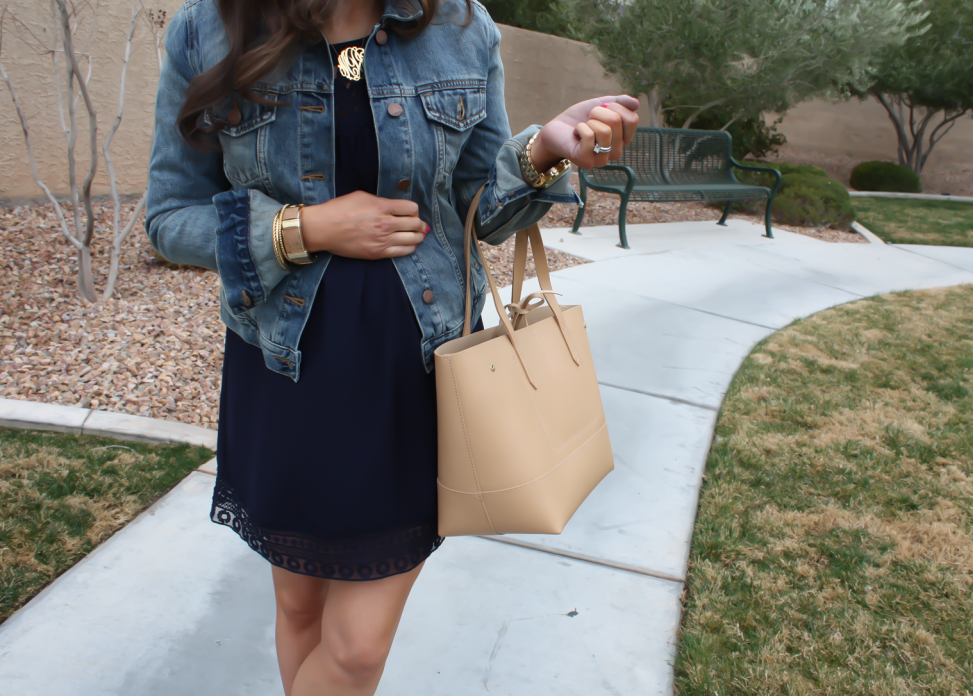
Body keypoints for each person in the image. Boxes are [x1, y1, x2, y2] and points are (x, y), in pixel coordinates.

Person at [145, 0, 639, 693]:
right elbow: (169, 217)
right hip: (284, 368)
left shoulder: (461, 25)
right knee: (298, 603)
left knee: (355, 648)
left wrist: (542, 152)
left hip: (410, 375)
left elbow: (475, 210)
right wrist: (307, 227)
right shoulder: (211, 28)